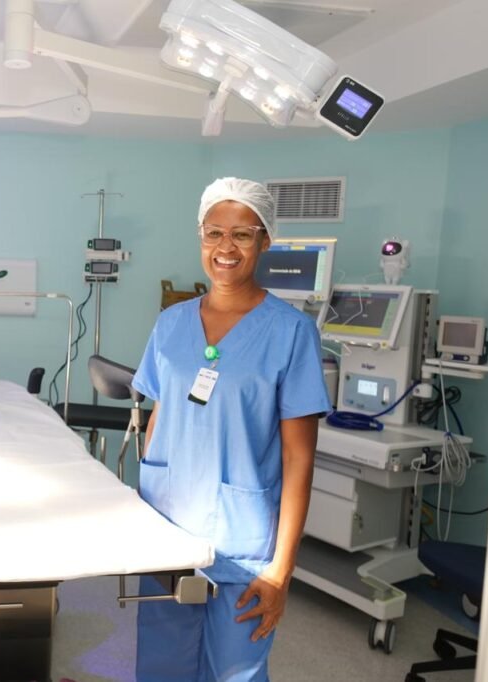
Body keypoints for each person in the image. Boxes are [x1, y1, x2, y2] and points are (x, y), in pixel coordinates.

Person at [133, 177, 331, 681]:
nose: (226, 246)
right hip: (167, 528)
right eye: (214, 232)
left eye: (242, 234)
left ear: (265, 242)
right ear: (201, 237)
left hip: (242, 538)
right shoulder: (171, 324)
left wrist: (281, 570)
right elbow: (160, 415)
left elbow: (299, 458)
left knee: (234, 671)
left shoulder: (291, 331)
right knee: (162, 665)